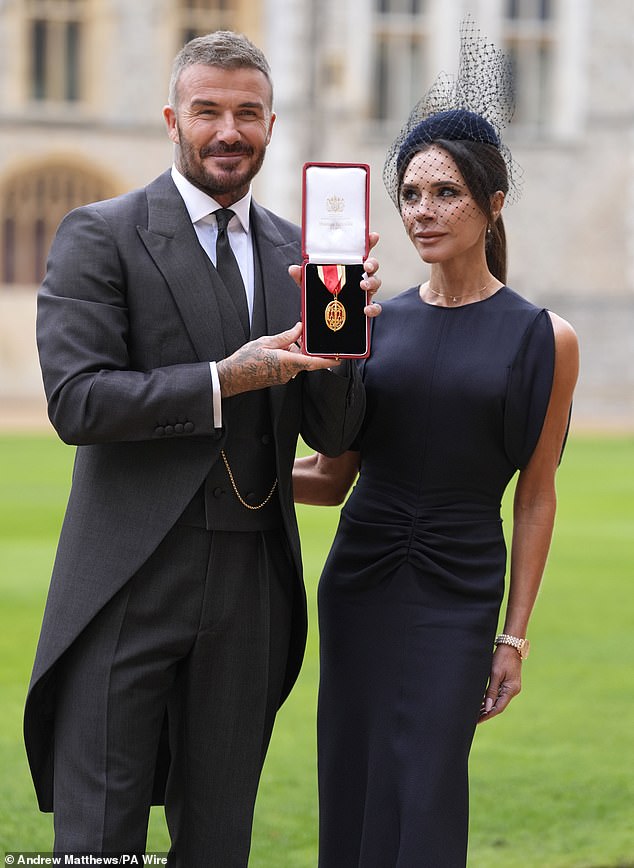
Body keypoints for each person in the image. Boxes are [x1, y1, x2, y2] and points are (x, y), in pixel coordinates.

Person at [24, 30, 380, 865]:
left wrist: (352, 330)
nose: (230, 130)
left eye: (248, 113)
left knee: (220, 836)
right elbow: (78, 401)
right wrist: (224, 379)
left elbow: (333, 434)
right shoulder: (100, 233)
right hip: (130, 572)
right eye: (208, 111)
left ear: (271, 123)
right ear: (171, 119)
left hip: (253, 580)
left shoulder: (300, 250)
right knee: (101, 833)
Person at [293, 25, 579, 868]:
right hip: (361, 577)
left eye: (446, 192)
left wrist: (513, 637)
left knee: (427, 787)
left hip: (460, 588)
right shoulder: (370, 326)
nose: (423, 210)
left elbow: (535, 496)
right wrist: (237, 468)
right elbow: (334, 476)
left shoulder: (545, 338)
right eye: (411, 193)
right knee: (349, 775)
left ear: (493, 205)